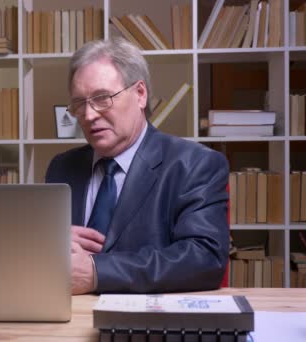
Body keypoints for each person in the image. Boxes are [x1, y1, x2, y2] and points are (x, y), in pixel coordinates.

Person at [46, 38, 229, 294]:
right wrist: (48, 242)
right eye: (79, 103)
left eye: (102, 98)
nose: (88, 116)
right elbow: (45, 256)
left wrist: (98, 273)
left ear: (140, 94)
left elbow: (205, 258)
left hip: (151, 324)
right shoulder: (62, 167)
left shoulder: (195, 164)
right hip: (66, 318)